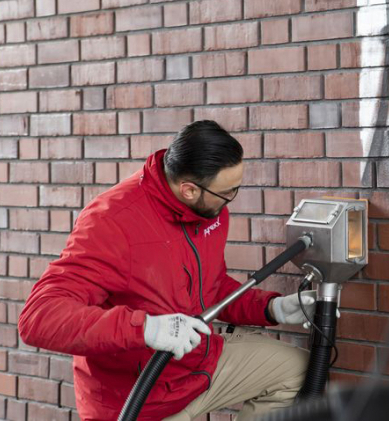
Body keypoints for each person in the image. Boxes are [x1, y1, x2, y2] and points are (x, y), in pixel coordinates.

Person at [18, 120, 313, 421]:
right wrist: (145, 328)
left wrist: (271, 308)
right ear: (188, 190)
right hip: (138, 400)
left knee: (300, 371)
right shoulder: (112, 222)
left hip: (197, 368)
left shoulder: (209, 210)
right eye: (228, 192)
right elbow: (39, 319)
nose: (230, 201)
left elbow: (210, 286)